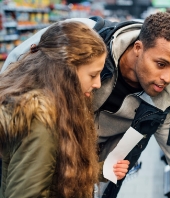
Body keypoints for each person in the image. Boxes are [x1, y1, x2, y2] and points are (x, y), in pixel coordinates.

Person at [1, 12, 170, 198]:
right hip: (45, 139)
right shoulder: (87, 36)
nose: (168, 77)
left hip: (85, 165)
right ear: (138, 48)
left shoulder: (163, 100)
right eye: (161, 64)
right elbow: (19, 60)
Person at [0, 21, 129, 198]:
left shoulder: (59, 106)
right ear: (66, 72)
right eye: (92, 75)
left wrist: (100, 170)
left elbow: (57, 170)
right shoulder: (41, 121)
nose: (98, 83)